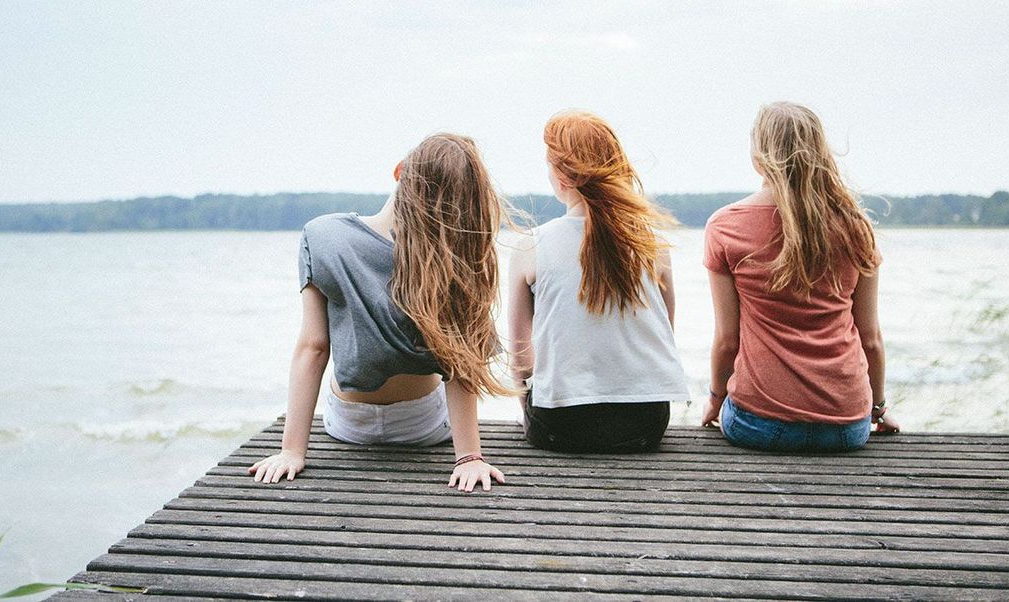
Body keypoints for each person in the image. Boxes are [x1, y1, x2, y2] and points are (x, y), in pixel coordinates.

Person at [249, 133, 512, 492]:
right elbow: (460, 365)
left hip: (348, 425)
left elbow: (314, 347)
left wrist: (292, 451)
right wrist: (469, 457)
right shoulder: (457, 258)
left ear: (399, 172)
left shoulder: (324, 236)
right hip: (423, 426)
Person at [701, 102, 900, 452]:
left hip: (757, 424)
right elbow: (871, 338)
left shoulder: (725, 226)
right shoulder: (856, 227)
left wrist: (716, 401)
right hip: (848, 428)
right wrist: (878, 411)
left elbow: (726, 341)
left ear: (758, 154)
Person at [507, 110, 690, 453]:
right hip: (646, 425)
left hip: (560, 427)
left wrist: (529, 415)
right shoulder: (652, 243)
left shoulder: (531, 245)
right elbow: (665, 335)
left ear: (563, 177)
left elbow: (521, 358)